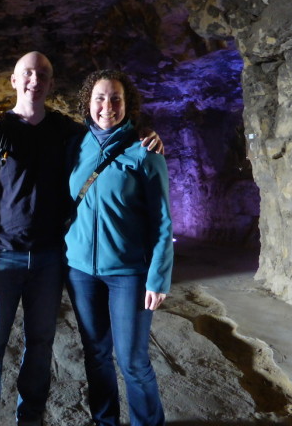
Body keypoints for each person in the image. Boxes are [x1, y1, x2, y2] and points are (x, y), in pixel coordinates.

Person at [0, 52, 161, 426]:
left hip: (50, 258)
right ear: (13, 80)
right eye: (27, 74)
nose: (34, 81)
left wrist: (148, 136)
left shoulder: (67, 132)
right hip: (2, 255)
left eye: (42, 75)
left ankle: (30, 419)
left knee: (40, 347)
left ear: (51, 84)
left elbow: (110, 134)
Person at [64, 69, 173, 426]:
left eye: (115, 99)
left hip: (128, 274)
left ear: (128, 105)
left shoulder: (145, 150)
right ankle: (104, 420)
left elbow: (162, 220)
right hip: (80, 271)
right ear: (87, 102)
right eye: (99, 98)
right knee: (95, 355)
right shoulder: (74, 146)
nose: (107, 106)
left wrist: (158, 276)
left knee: (133, 361)